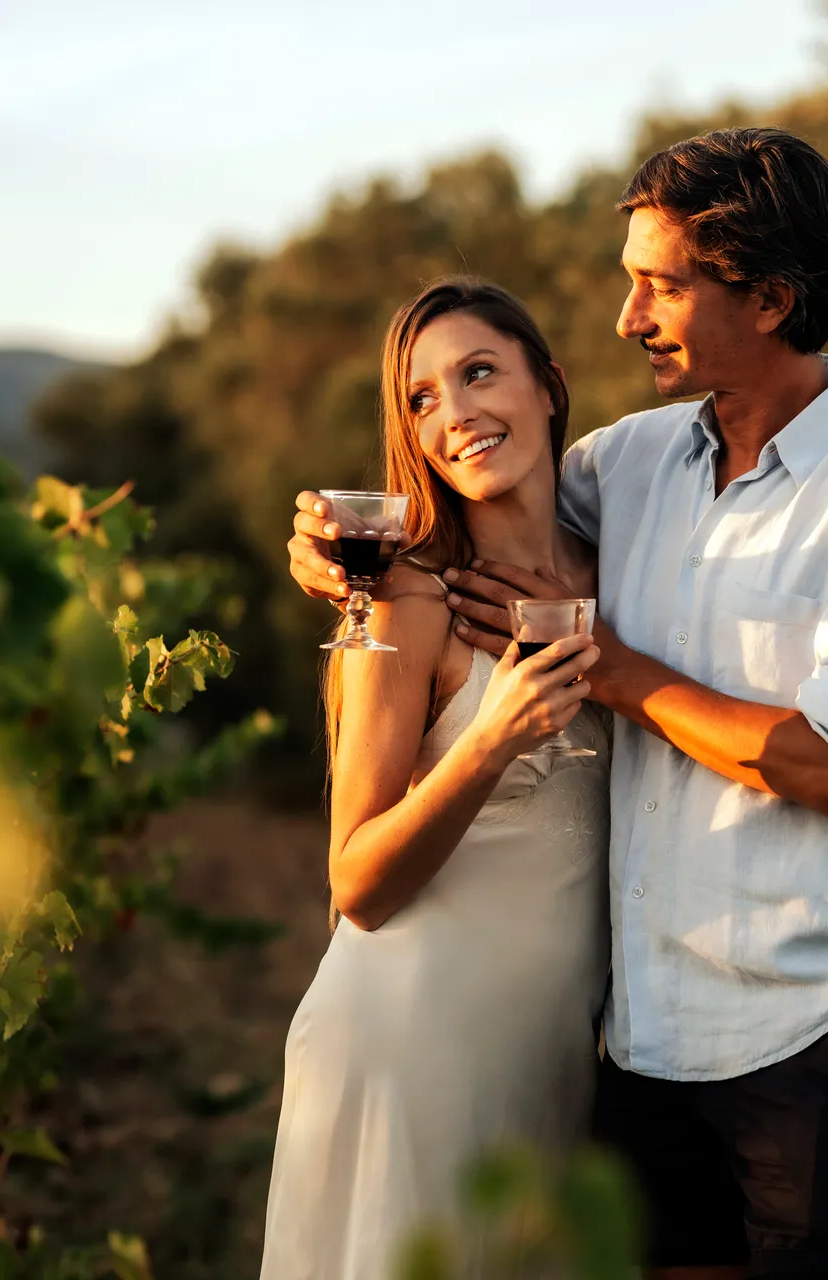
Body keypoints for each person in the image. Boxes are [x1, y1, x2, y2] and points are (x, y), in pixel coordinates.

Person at [289, 127, 828, 1278]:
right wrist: (336, 554)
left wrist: (617, 670)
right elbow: (476, 489)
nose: (628, 317)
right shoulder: (631, 465)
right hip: (642, 1051)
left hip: (811, 1037)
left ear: (770, 297)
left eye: (660, 284)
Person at [259, 279, 612, 1280]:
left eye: (478, 371)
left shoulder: (623, 567)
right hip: (410, 1048)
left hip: (547, 1058)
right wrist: (490, 737)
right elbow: (356, 881)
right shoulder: (404, 601)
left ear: (550, 385)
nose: (453, 412)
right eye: (420, 398)